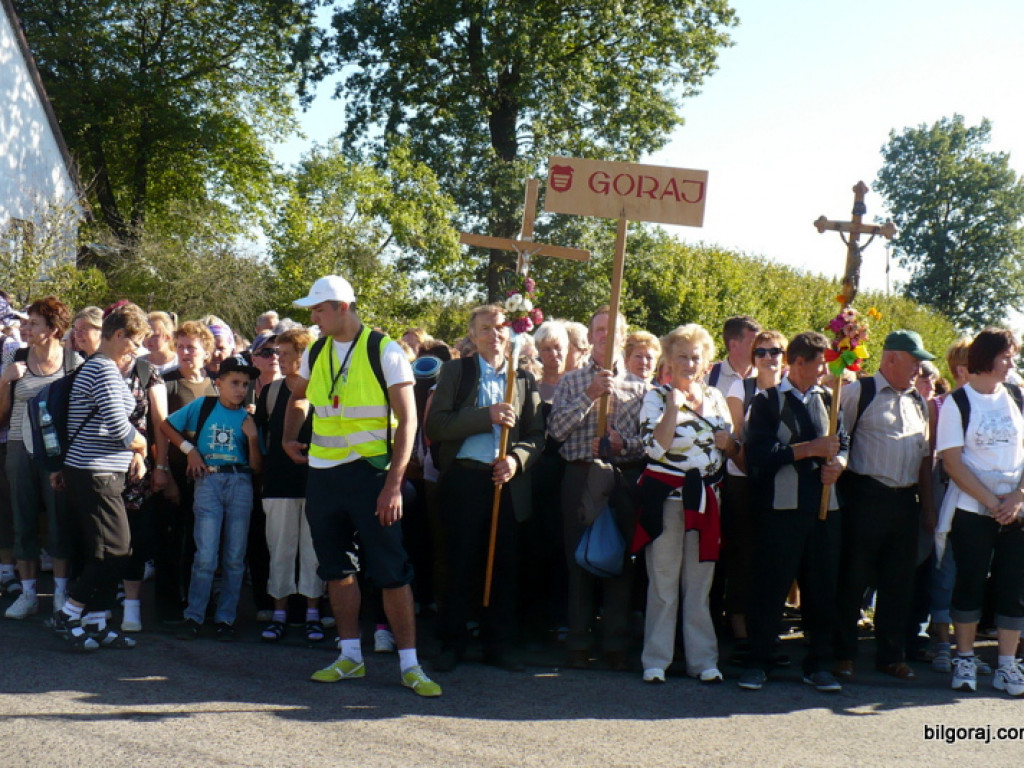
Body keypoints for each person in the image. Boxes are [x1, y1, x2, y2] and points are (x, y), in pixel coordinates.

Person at [282, 275, 441, 697]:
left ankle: (410, 665)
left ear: (342, 307)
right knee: (336, 569)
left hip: (372, 474)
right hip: (324, 474)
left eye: (319, 310)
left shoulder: (384, 349)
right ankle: (350, 657)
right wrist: (287, 434)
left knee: (391, 571)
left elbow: (408, 421)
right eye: (312, 311)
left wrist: (393, 485)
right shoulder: (316, 351)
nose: (313, 318)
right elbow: (298, 395)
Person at [426, 305, 544, 672]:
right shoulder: (456, 372)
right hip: (465, 479)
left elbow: (537, 436)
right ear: (473, 335)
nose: (495, 335)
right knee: (460, 561)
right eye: (486, 329)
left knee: (505, 563)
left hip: (504, 482)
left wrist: (516, 461)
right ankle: (452, 641)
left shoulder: (522, 379)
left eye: (501, 328)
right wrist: (486, 416)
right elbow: (437, 426)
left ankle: (498, 643)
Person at [738, 331, 848, 692]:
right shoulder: (767, 402)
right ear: (798, 363)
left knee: (821, 589)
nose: (824, 371)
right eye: (819, 364)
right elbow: (758, 456)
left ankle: (819, 664)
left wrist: (839, 464)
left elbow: (842, 444)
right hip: (779, 511)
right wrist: (808, 450)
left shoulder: (830, 399)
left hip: (822, 511)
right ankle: (758, 661)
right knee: (770, 587)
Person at [636, 324, 737, 684]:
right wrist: (671, 410)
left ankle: (703, 660)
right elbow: (653, 449)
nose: (690, 363)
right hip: (666, 501)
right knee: (663, 582)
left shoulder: (715, 398)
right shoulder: (655, 397)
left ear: (706, 361)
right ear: (669, 360)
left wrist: (729, 444)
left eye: (696, 357)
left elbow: (732, 450)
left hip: (707, 502)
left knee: (699, 585)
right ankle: (656, 661)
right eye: (682, 356)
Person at [547, 306, 647, 670]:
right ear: (590, 337)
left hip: (622, 477)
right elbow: (555, 432)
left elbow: (648, 443)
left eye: (612, 330)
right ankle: (577, 641)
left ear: (623, 336)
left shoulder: (640, 387)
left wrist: (625, 446)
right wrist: (589, 395)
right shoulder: (572, 381)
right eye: (599, 330)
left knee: (620, 559)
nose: (605, 336)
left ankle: (616, 643)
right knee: (579, 559)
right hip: (579, 476)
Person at [834, 330, 934, 680]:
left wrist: (929, 506)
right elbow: (838, 442)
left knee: (898, 582)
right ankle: (843, 653)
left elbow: (924, 458)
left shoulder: (918, 402)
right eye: (914, 360)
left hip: (906, 501)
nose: (919, 369)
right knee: (853, 578)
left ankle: (891, 655)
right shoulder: (858, 392)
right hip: (865, 496)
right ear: (891, 358)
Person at [52, 301, 151, 650]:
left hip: (100, 471)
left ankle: (96, 620)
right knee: (115, 550)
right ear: (119, 334)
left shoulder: (103, 368)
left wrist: (135, 448)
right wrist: (143, 447)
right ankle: (69, 613)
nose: (137, 350)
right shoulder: (103, 369)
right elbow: (120, 428)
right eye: (135, 342)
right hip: (95, 472)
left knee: (106, 549)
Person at [936, 328, 1024, 696]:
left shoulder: (1018, 396)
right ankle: (965, 657)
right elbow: (953, 462)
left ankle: (1007, 664)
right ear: (988, 358)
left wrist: (1017, 497)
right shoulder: (959, 402)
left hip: (1015, 510)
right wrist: (992, 502)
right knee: (969, 581)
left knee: (1013, 587)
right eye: (1006, 356)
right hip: (973, 507)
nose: (1011, 363)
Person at [162, 355, 262, 640]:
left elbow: (256, 467)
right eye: (234, 383)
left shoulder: (248, 418)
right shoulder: (203, 406)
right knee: (205, 553)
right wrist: (189, 449)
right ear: (218, 383)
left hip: (240, 481)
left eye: (245, 384)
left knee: (234, 555)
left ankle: (226, 618)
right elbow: (167, 425)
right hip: (208, 480)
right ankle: (194, 615)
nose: (240, 389)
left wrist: (253, 439)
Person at [0, 296, 80, 619]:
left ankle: (60, 595)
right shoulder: (16, 356)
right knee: (23, 520)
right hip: (19, 446)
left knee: (59, 523)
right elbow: (2, 416)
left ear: (53, 329)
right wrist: (4, 381)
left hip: (56, 453)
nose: (25, 327)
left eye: (33, 323)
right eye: (26, 321)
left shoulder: (74, 362)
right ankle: (29, 594)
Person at [255, 327, 324, 643]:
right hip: (279, 482)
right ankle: (279, 613)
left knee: (314, 552)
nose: (277, 359)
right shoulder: (270, 391)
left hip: (317, 482)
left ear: (303, 355)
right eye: (274, 353)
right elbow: (263, 436)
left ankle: (313, 615)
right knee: (279, 550)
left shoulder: (323, 389)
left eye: (284, 353)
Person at [723, 330, 787, 647]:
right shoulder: (741, 387)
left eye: (774, 351)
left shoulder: (791, 389)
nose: (767, 358)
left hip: (780, 479)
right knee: (743, 555)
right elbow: (739, 436)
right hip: (743, 478)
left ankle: (767, 627)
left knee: (772, 555)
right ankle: (739, 628)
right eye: (760, 352)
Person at [153, 322, 218, 622]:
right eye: (179, 346)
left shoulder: (218, 385)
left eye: (191, 347)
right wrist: (163, 472)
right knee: (170, 542)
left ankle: (199, 603)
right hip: (176, 476)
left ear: (207, 351)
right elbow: (160, 432)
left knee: (202, 545)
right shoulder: (166, 383)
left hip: (211, 480)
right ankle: (167, 607)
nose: (184, 352)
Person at [706, 315, 761, 397]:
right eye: (753, 343)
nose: (759, 348)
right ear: (733, 345)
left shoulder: (763, 377)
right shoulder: (708, 377)